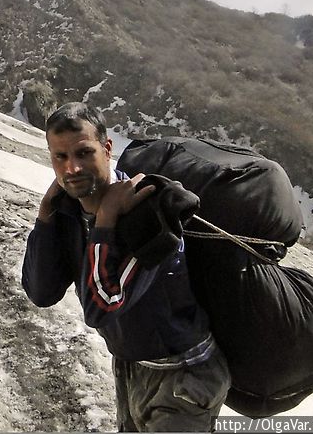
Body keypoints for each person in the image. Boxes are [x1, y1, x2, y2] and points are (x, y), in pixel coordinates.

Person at [21, 102, 230, 432]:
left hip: (185, 376)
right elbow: (42, 292)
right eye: (59, 157)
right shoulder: (70, 211)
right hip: (132, 366)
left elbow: (102, 307)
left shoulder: (149, 213)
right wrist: (46, 216)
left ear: (107, 149)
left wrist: (105, 222)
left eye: (83, 153)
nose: (72, 168)